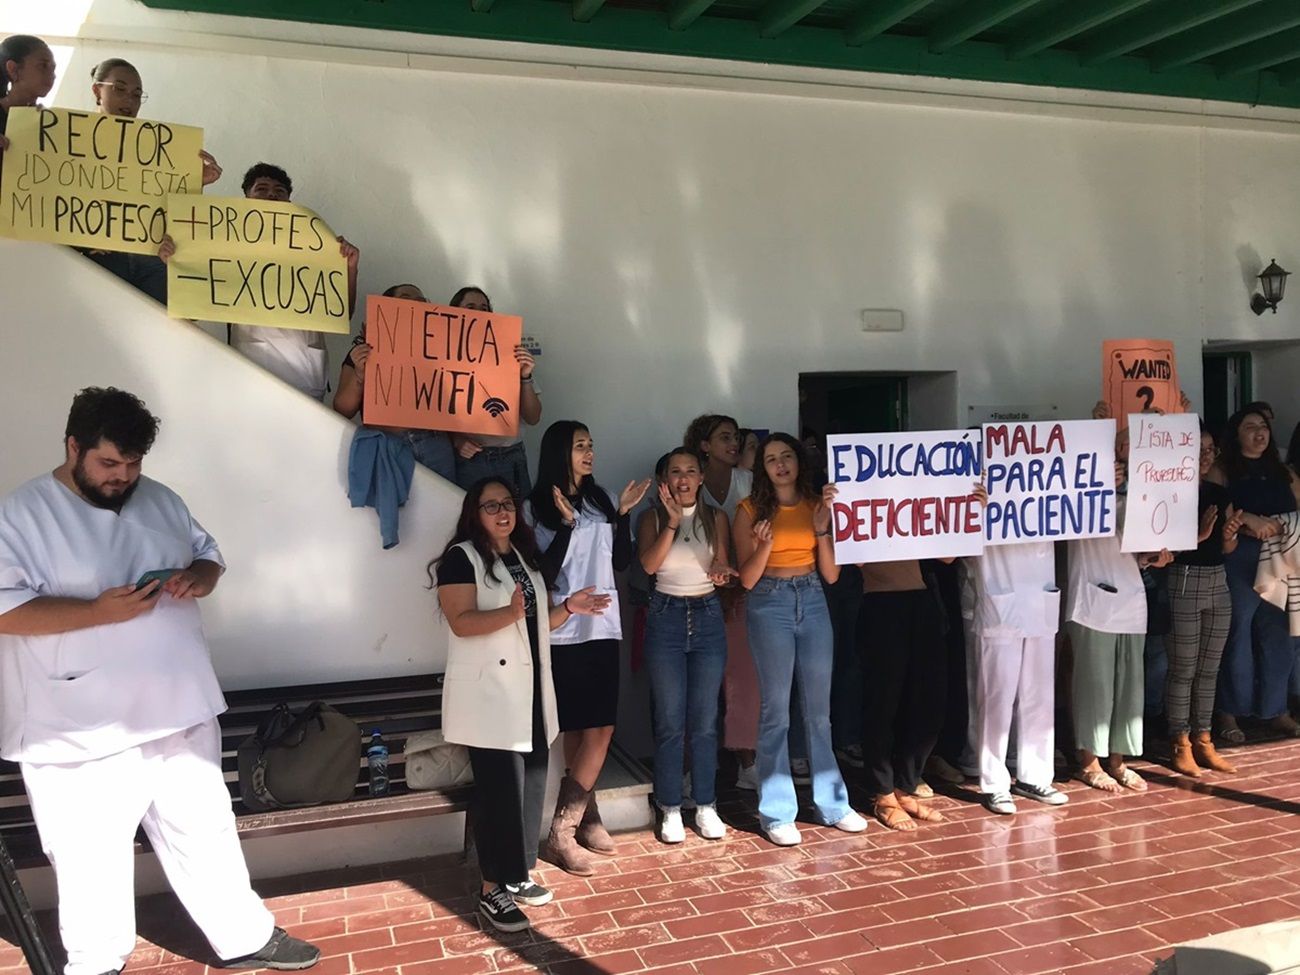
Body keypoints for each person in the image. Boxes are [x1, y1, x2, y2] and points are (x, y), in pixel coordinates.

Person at [0, 387, 319, 975]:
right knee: (88, 850)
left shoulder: (161, 499)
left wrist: (199, 577)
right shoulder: (21, 515)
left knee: (205, 827)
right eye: (109, 464)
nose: (123, 476)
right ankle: (97, 961)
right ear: (73, 446)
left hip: (177, 701)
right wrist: (95, 612)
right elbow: (4, 609)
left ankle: (243, 935)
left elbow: (208, 554)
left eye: (134, 464)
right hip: (77, 719)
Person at [432, 478, 609, 932]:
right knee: (498, 796)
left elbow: (535, 627)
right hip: (490, 697)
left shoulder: (523, 560)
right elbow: (461, 623)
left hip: (529, 695)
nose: (502, 513)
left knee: (530, 787)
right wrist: (510, 614)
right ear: (475, 513)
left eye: (507, 504)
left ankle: (517, 873)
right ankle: (492, 890)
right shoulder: (462, 558)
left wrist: (568, 607)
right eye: (491, 506)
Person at [525, 421, 649, 875]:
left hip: (603, 626)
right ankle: (570, 827)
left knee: (601, 729)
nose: (589, 453)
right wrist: (565, 526)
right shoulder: (535, 506)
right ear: (560, 452)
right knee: (578, 729)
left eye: (591, 445)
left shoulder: (603, 498)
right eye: (580, 446)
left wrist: (622, 516)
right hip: (561, 628)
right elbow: (541, 569)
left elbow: (619, 562)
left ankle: (571, 821)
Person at [733, 433, 867, 846]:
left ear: (797, 461)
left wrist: (823, 528)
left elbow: (831, 575)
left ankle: (833, 804)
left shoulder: (815, 504)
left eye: (786, 456)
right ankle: (776, 812)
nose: (780, 464)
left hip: (811, 598)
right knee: (777, 710)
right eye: (771, 459)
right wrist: (763, 545)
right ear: (763, 469)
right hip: (769, 601)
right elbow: (748, 579)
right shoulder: (749, 510)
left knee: (818, 711)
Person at [163, 163, 361, 401]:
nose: (271, 195)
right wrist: (176, 262)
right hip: (249, 372)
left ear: (289, 201)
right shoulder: (224, 246)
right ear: (247, 199)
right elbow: (190, 313)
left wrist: (350, 270)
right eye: (262, 189)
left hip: (306, 375)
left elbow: (341, 315)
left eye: (279, 191)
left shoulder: (318, 246)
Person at [637, 447, 735, 843]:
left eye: (690, 471)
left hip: (708, 615)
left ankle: (707, 804)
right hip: (666, 617)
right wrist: (672, 524)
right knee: (670, 720)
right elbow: (648, 566)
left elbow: (723, 564)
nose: (683, 479)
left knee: (705, 720)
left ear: (700, 478)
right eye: (675, 472)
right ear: (664, 480)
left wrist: (724, 572)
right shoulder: (652, 517)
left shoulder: (717, 517)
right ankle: (671, 807)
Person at [1065, 434, 1171, 794]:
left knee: (1129, 683)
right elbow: (1072, 524)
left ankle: (1118, 759)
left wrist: (1155, 555)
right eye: (1120, 444)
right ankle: (1088, 760)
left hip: (1131, 594)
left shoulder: (1144, 491)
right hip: (1093, 599)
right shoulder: (1077, 487)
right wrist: (1097, 486)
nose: (1125, 452)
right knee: (1094, 684)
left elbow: (1137, 548)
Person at [963, 485, 1070, 816]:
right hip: (1000, 603)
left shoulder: (1048, 487)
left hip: (1039, 599)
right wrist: (974, 510)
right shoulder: (971, 493)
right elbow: (958, 547)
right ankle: (994, 782)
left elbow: (1078, 516)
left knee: (1039, 695)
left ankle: (1034, 775)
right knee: (996, 698)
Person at [81, 58, 223, 306]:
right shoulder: (69, 141)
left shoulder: (156, 149)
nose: (129, 100)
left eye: (137, 95)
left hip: (151, 258)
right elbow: (54, 203)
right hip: (97, 260)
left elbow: (162, 206)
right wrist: (79, 236)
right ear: (97, 91)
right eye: (120, 89)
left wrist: (196, 182)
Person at [1212, 408, 1300, 742]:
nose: (1259, 433)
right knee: (1237, 634)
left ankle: (1275, 709)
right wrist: (1247, 518)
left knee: (1279, 634)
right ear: (1236, 434)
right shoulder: (1223, 470)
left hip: (1281, 557)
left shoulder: (1283, 471)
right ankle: (1230, 712)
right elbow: (1213, 510)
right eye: (1250, 428)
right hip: (1240, 558)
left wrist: (1280, 526)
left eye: (1263, 427)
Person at [684, 413, 761, 789]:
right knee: (697, 682)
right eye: (724, 437)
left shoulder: (748, 482)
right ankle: (698, 765)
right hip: (693, 593)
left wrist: (737, 588)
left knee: (742, 679)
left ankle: (747, 759)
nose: (734, 443)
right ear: (703, 445)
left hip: (741, 592)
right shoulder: (687, 483)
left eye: (736, 437)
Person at [1166, 427, 1244, 776]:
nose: (1206, 456)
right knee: (1184, 667)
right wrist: (1196, 535)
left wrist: (1228, 537)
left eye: (1211, 449)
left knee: (1210, 668)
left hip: (1218, 581)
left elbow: (1227, 549)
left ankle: (1204, 738)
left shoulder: (1218, 492)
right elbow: (1160, 548)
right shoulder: (1167, 492)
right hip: (1184, 579)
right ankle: (1179, 741)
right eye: (1199, 449)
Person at [858, 557, 951, 830]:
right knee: (883, 701)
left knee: (930, 700)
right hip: (880, 600)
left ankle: (905, 787)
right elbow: (858, 556)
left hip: (922, 596)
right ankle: (883, 794)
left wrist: (967, 513)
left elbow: (949, 556)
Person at [332, 283, 456, 481]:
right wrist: (360, 374)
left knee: (446, 509)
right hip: (388, 444)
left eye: (420, 301)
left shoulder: (442, 351)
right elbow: (342, 409)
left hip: (435, 445)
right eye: (406, 298)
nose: (414, 305)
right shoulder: (363, 352)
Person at [450, 287, 543, 496]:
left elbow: (533, 417)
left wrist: (525, 377)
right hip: (472, 460)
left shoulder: (509, 355)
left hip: (512, 456)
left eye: (485, 308)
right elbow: (431, 412)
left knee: (519, 522)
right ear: (454, 313)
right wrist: (457, 441)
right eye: (470, 307)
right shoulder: (441, 357)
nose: (479, 313)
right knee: (473, 524)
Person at [0, 34, 56, 179]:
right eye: (43, 65)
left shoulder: (49, 122)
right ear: (13, 69)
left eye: (53, 68)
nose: (52, 75)